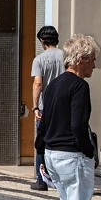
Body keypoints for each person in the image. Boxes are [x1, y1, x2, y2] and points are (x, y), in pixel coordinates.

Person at [17, 33, 101, 200]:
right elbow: (78, 125)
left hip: (53, 153)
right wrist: (88, 151)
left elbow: (43, 118)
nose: (94, 65)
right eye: (92, 60)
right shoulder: (79, 87)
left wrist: (41, 150)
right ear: (82, 59)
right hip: (71, 155)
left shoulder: (54, 84)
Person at [29, 25, 63, 190]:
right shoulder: (66, 56)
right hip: (63, 108)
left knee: (41, 142)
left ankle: (41, 180)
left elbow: (38, 83)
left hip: (45, 109)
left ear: (42, 41)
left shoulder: (39, 59)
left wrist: (35, 107)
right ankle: (60, 179)